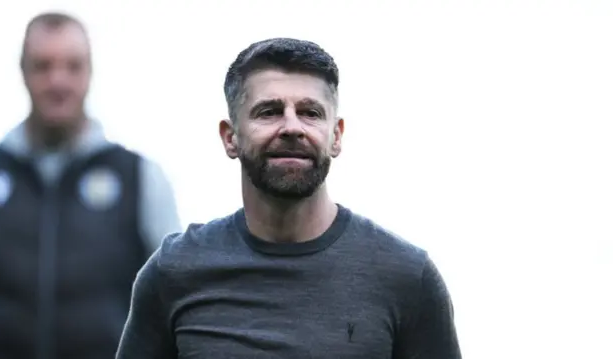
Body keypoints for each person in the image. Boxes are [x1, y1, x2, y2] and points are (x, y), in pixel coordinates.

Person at [116, 37, 462, 359]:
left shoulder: (406, 276)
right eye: (269, 112)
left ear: (336, 136)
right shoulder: (174, 271)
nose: (292, 127)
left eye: (310, 113)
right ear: (230, 137)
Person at [0, 12, 182, 359]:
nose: (58, 81)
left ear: (89, 72)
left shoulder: (139, 176)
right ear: (23, 72)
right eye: (43, 66)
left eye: (72, 66)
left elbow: (175, 295)